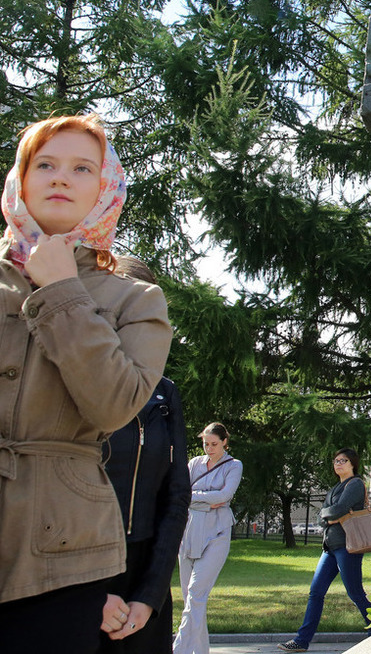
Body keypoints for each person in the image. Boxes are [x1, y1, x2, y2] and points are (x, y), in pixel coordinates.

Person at [0, 114, 172, 654]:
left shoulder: (135, 299)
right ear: (20, 180)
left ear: (105, 188)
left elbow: (113, 406)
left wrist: (62, 290)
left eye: (81, 168)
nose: (60, 178)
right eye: (44, 164)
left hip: (62, 548)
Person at [99, 256, 189, 654]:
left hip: (143, 579)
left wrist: (151, 594)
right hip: (74, 580)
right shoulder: (64, 380)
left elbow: (176, 495)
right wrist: (90, 594)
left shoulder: (164, 393)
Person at [278, 448, 371, 653]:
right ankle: (301, 641)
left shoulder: (355, 484)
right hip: (329, 547)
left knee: (355, 593)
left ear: (353, 464)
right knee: (316, 592)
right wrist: (329, 516)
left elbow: (339, 510)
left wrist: (330, 515)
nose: (339, 463)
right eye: (336, 460)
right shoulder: (334, 488)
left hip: (348, 546)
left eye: (344, 460)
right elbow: (321, 516)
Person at [175, 422, 243, 654]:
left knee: (196, 593)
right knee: (191, 600)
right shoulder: (194, 463)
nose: (209, 448)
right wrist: (206, 499)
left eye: (214, 444)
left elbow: (225, 495)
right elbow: (179, 492)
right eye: (205, 444)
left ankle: (178, 648)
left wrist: (193, 498)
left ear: (225, 441)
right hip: (189, 531)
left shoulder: (233, 465)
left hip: (217, 532)